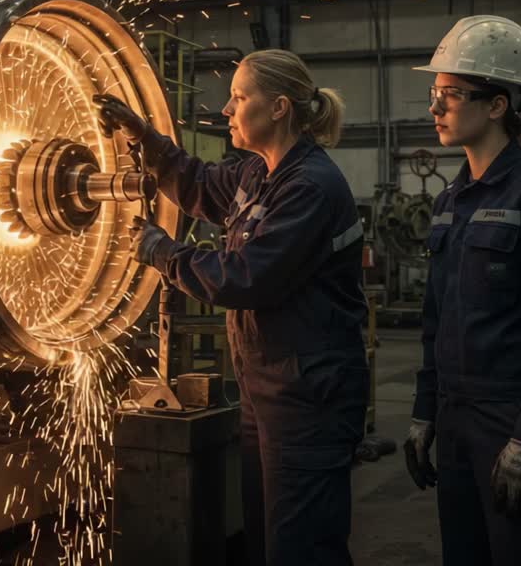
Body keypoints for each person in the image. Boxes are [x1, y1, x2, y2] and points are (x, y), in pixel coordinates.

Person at [95, 49, 368, 566]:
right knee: (267, 540)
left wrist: (163, 252)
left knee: (302, 548)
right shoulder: (257, 174)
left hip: (308, 397)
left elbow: (246, 278)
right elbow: (195, 183)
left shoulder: (308, 187)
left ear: (280, 107)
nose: (226, 110)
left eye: (239, 98)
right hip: (266, 390)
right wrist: (143, 137)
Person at [403, 16, 521, 566]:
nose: (435, 108)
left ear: (498, 104)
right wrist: (425, 412)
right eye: (435, 94)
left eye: (451, 94)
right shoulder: (449, 203)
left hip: (517, 420)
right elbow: (436, 322)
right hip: (458, 421)